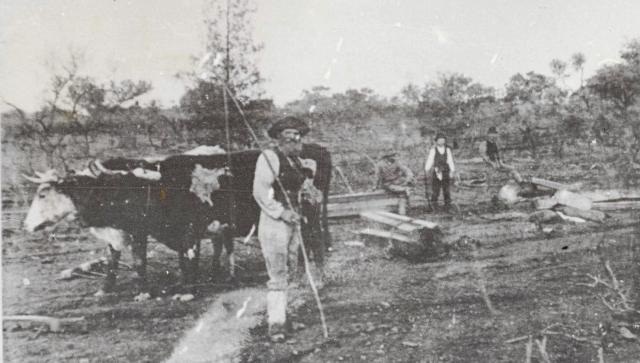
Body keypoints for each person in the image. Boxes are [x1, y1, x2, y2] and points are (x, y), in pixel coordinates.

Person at [252, 116, 310, 342]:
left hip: (294, 221)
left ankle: (286, 317)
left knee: (291, 269)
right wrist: (282, 212)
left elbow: (298, 189)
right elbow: (260, 192)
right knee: (277, 273)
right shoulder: (269, 158)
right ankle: (275, 325)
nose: (298, 142)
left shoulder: (295, 161)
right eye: (293, 137)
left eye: (298, 136)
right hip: (275, 222)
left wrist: (308, 194)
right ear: (282, 139)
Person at [424, 133, 456, 210]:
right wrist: (426, 169)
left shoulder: (447, 150)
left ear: (444, 141)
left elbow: (450, 161)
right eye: (439, 140)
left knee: (446, 189)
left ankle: (447, 205)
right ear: (436, 141)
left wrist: (452, 170)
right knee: (436, 189)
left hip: (445, 171)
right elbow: (430, 160)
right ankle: (434, 205)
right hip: (437, 171)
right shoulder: (433, 150)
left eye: (443, 140)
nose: (441, 141)